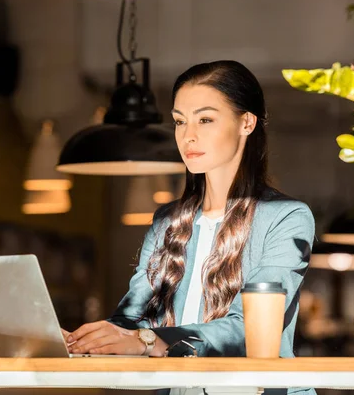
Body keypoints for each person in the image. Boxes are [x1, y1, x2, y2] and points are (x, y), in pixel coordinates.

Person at [66, 60, 316, 395]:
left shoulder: (286, 217)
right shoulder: (168, 221)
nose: (189, 135)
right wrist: (89, 339)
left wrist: (146, 341)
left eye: (206, 119)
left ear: (246, 122)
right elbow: (134, 316)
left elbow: (250, 329)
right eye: (180, 121)